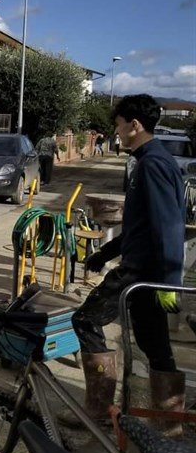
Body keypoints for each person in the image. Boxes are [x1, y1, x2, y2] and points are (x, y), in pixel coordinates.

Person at [64, 95, 186, 434]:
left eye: (118, 125)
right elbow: (140, 226)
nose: (115, 132)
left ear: (134, 125)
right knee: (154, 344)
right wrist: (105, 253)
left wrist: (168, 281)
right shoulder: (148, 160)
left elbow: (168, 225)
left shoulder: (152, 165)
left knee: (85, 320)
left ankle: (101, 411)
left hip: (141, 272)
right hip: (145, 268)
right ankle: (169, 425)